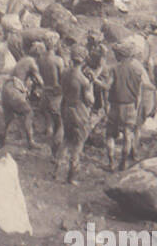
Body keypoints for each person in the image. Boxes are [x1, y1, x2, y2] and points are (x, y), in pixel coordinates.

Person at [54, 45, 95, 184]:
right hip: (79, 111)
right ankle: (71, 176)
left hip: (65, 107)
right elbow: (90, 101)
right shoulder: (84, 80)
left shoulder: (65, 73)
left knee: (66, 139)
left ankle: (57, 171)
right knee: (78, 143)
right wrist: (92, 84)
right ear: (83, 60)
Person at [103, 42, 148, 171]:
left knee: (110, 135)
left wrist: (95, 81)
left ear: (120, 56)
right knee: (128, 134)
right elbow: (139, 93)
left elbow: (107, 87)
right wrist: (136, 107)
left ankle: (111, 163)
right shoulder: (137, 70)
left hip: (115, 106)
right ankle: (123, 163)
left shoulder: (114, 69)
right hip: (130, 106)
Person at [0, 53, 43, 150]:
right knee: (28, 112)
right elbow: (40, 81)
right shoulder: (32, 63)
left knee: (8, 117)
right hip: (14, 90)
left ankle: (2, 138)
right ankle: (30, 142)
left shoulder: (23, 60)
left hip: (6, 88)